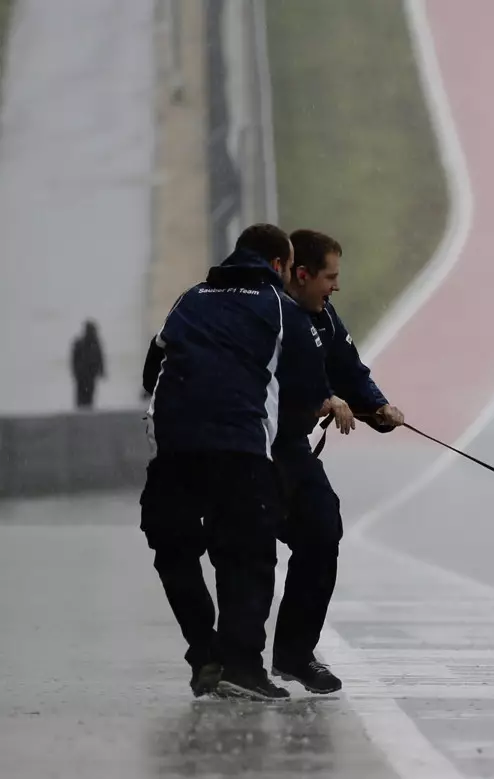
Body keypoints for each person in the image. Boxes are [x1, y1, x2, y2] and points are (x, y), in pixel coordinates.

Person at [139, 224, 354, 701]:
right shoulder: (281, 308)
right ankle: (239, 665)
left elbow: (153, 368)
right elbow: (301, 386)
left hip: (174, 447)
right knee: (246, 556)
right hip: (239, 447)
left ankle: (204, 653)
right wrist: (326, 402)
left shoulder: (190, 298)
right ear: (280, 266)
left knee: (175, 551)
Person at [269, 229, 404, 695]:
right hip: (253, 448)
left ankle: (293, 653)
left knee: (322, 532)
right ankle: (231, 660)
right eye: (330, 277)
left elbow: (350, 371)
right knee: (248, 553)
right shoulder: (268, 314)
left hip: (295, 452)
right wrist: (320, 400)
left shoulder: (323, 316)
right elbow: (274, 381)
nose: (336, 287)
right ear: (301, 274)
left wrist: (380, 409)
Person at [71, 319, 105, 408]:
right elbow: (74, 360)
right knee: (82, 399)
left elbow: (100, 358)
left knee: (88, 399)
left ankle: (85, 414)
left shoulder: (94, 343)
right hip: (83, 376)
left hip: (89, 376)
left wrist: (101, 370)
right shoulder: (80, 343)